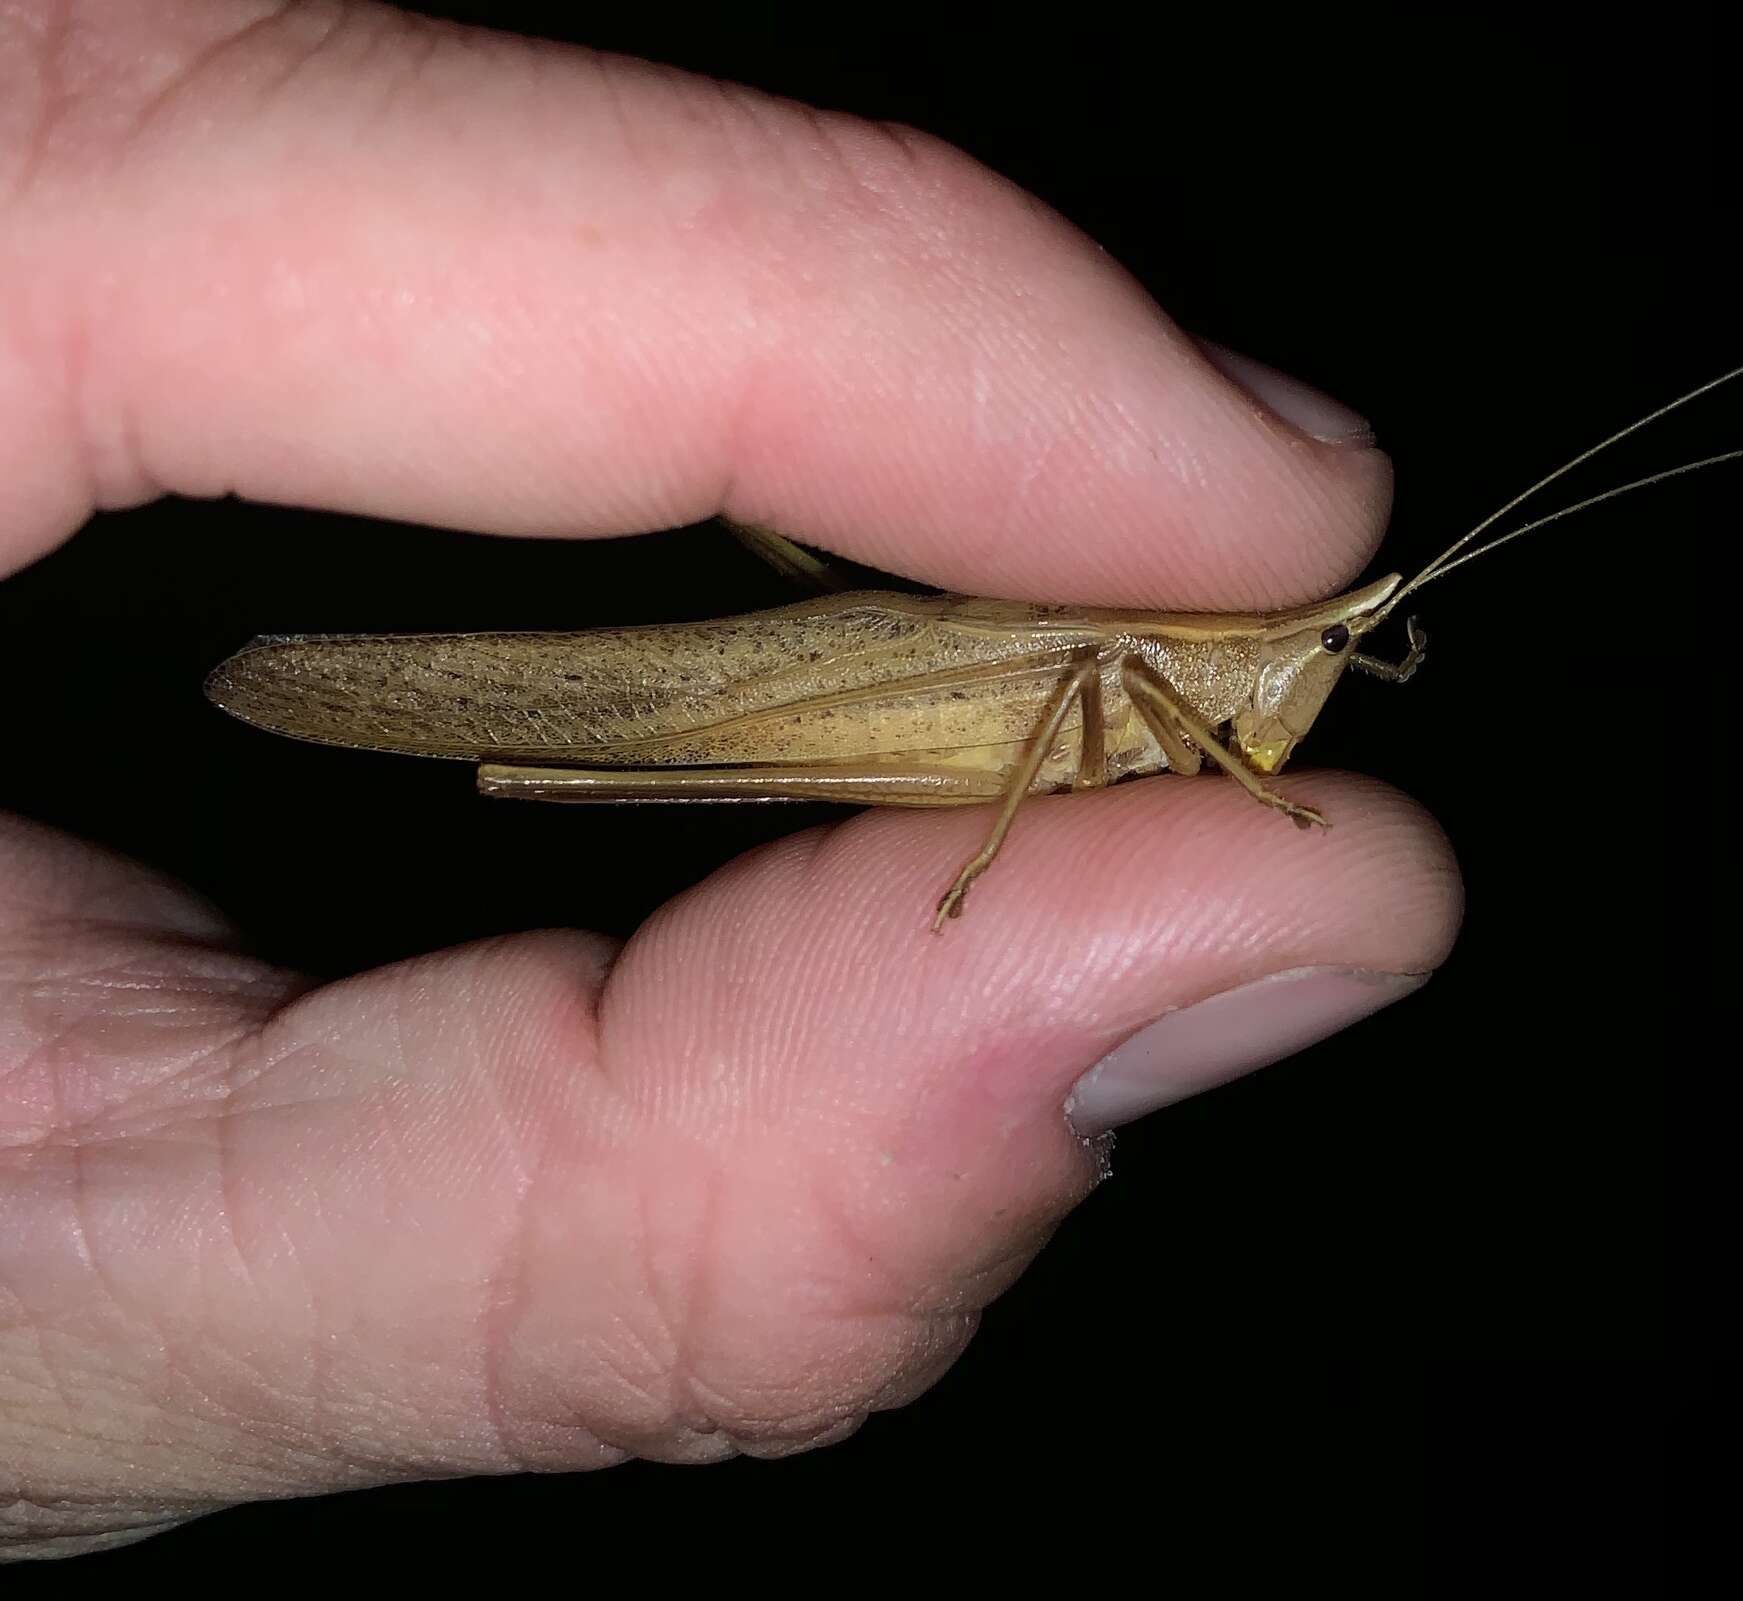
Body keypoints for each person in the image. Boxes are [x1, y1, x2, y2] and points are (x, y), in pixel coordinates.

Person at [0, 0, 1460, 1557]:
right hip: (935, 697)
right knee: (1070, 664)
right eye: (1327, 643)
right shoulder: (1180, 660)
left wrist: (1343, 645)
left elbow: (1227, 662)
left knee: (1129, 660)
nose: (1326, 655)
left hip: (991, 697)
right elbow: (1127, 678)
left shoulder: (1245, 652)